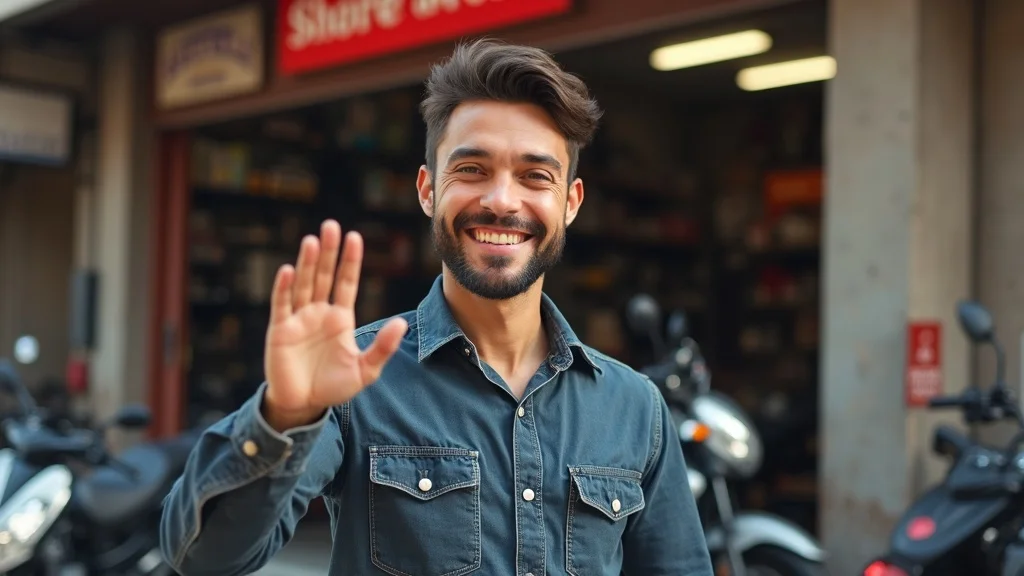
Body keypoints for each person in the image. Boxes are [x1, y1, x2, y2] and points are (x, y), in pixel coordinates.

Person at [159, 38, 713, 576]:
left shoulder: (635, 408)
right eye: (471, 169)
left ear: (569, 203)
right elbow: (204, 557)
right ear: (428, 190)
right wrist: (284, 416)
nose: (500, 200)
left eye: (535, 176)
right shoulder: (352, 385)